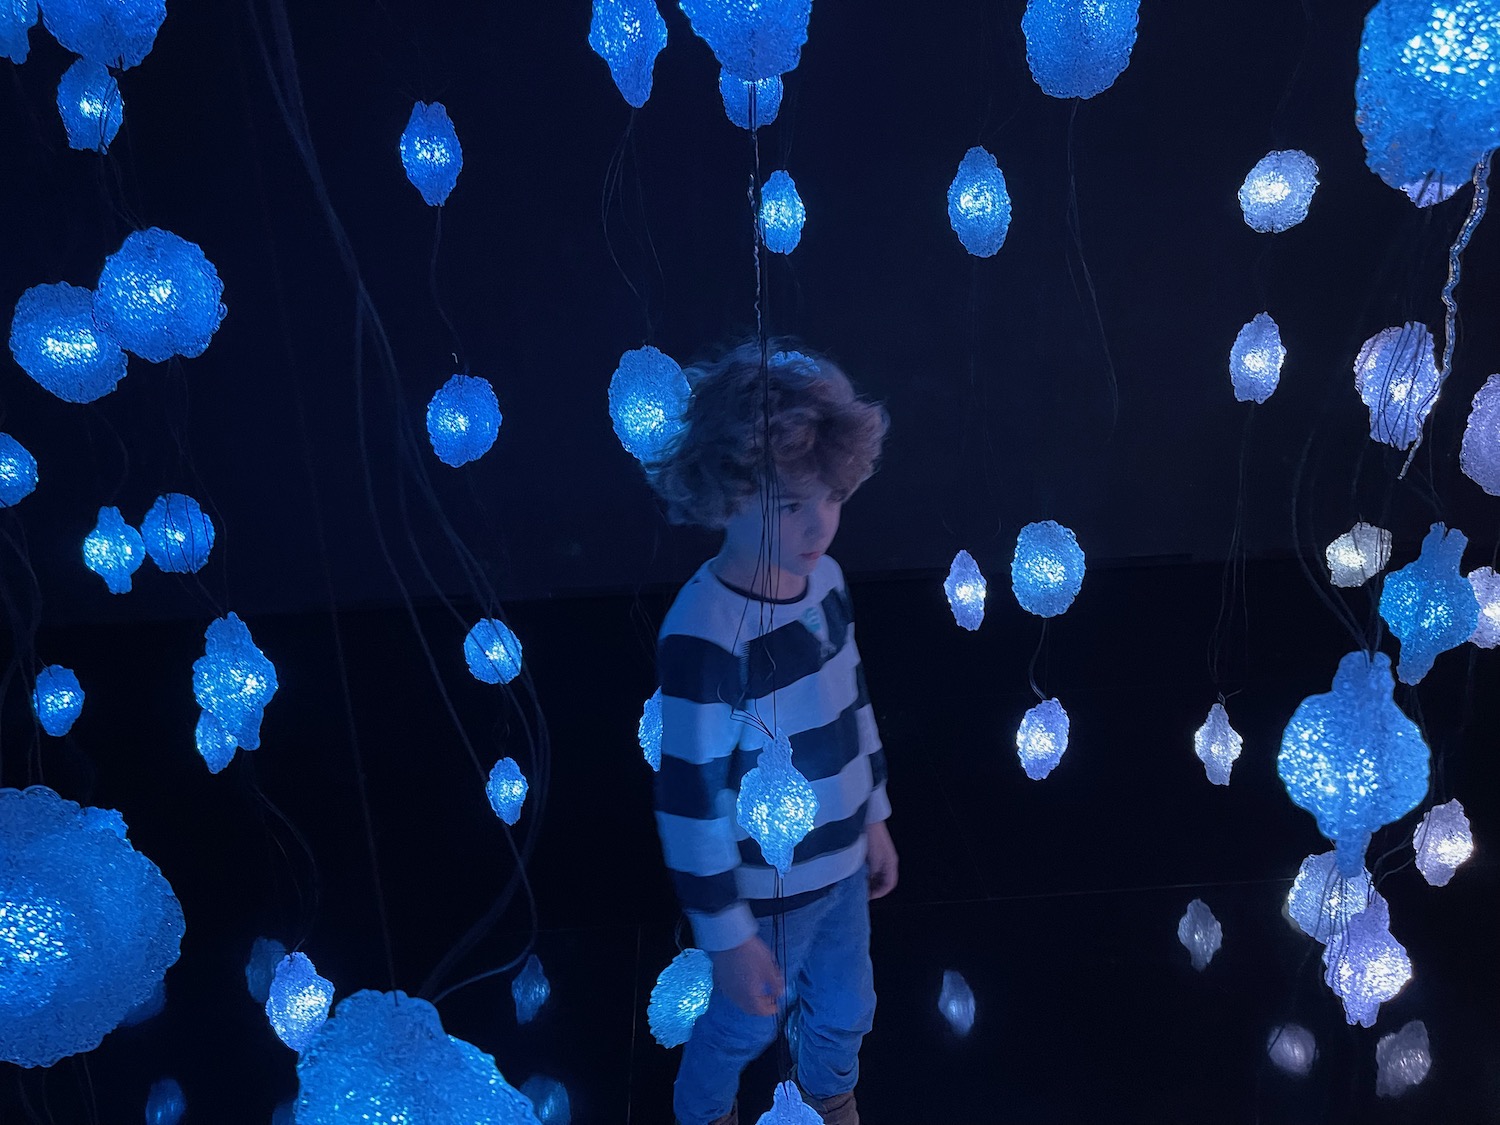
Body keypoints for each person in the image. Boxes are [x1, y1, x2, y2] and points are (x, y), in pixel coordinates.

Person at [643, 341, 897, 1125]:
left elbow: (852, 700)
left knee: (850, 1001)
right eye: (790, 503)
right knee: (744, 1020)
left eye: (831, 496)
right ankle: (705, 1111)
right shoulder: (705, 632)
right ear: (730, 492)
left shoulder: (825, 581)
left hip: (844, 864)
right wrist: (726, 936)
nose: (819, 522)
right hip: (767, 892)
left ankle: (829, 1091)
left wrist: (876, 814)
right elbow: (689, 800)